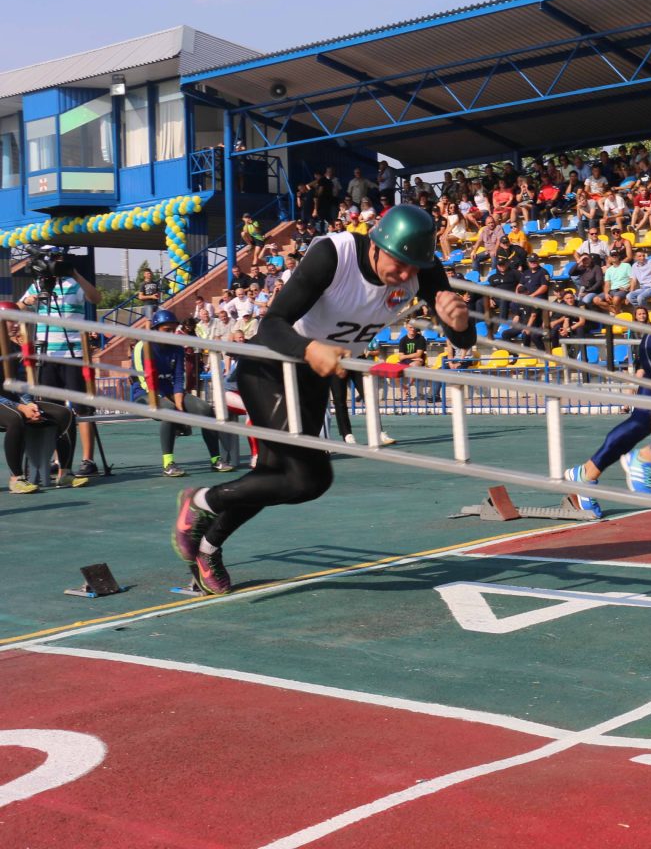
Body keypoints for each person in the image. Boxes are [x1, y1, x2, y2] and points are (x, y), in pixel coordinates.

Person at [170, 204, 473, 596]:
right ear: (378, 244)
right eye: (398, 266)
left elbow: (463, 339)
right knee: (304, 478)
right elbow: (272, 323)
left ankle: (207, 545)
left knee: (281, 478)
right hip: (271, 365)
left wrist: (461, 322)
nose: (404, 277)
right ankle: (200, 501)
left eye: (413, 269)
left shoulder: (423, 268)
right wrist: (310, 349)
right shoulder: (335, 254)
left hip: (315, 375)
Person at [19, 248, 102, 475]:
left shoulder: (73, 283)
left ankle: (88, 460)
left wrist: (75, 274)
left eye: (56, 259)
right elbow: (17, 308)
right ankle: (58, 459)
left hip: (74, 354)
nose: (54, 263)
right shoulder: (38, 284)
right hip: (47, 355)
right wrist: (29, 299)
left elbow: (96, 298)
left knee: (82, 407)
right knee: (52, 409)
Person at [134, 309, 233, 477]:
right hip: (145, 394)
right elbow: (147, 382)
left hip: (171, 393)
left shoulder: (177, 347)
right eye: (167, 330)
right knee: (170, 412)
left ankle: (216, 459)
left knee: (206, 410)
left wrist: (180, 407)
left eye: (174, 329)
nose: (172, 333)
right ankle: (168, 463)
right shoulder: (143, 346)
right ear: (156, 329)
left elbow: (179, 379)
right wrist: (176, 410)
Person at [0, 303, 85, 493]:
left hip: (15, 403)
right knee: (15, 418)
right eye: (10, 320)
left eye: (17, 320)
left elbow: (22, 384)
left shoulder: (17, 350)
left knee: (65, 414)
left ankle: (65, 473)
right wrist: (21, 408)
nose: (15, 324)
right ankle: (16, 478)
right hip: (5, 405)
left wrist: (30, 404)